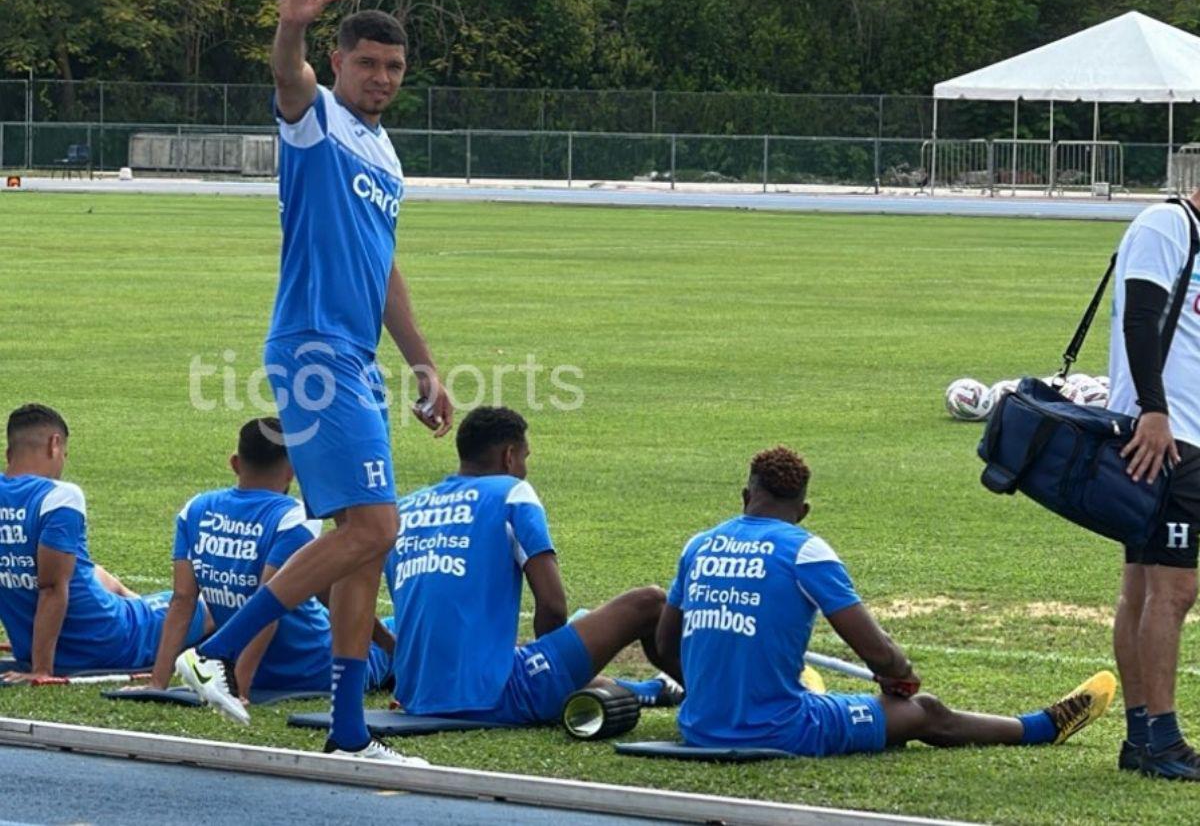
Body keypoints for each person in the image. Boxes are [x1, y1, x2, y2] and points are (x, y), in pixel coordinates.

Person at [177, 0, 451, 765]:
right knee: (374, 526)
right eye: (368, 62)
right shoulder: (317, 120)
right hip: (314, 347)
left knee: (362, 541)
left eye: (395, 66)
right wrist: (288, 30)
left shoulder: (385, 152)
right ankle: (215, 652)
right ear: (339, 62)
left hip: (357, 357)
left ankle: (347, 732)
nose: (383, 77)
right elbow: (288, 80)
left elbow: (384, 268)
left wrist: (423, 363)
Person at [655, 446, 1115, 757]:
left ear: (744, 497)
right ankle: (1043, 727)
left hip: (697, 727)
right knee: (926, 712)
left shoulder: (699, 544)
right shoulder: (804, 549)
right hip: (780, 730)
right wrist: (902, 675)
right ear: (804, 511)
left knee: (814, 691)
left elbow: (665, 644)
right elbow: (878, 652)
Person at [386, 407, 681, 724]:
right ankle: (709, 702)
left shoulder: (404, 510)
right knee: (650, 602)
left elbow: (346, 590)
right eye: (525, 458)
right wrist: (555, 664)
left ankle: (642, 690)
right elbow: (552, 606)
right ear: (509, 456)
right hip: (491, 698)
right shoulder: (511, 493)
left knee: (574, 628)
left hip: (415, 696)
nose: (525, 469)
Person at [140, 418, 392, 707]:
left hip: (238, 666)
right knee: (403, 629)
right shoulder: (293, 518)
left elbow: (183, 600)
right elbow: (268, 606)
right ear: (293, 470)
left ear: (235, 463)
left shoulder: (195, 509)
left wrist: (158, 682)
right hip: (315, 669)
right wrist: (239, 690)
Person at [0, 404, 211, 679]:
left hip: (40, 642)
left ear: (9, 453)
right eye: (64, 454)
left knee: (94, 572)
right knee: (211, 602)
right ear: (54, 445)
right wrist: (41, 671)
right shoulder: (59, 496)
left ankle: (138, 602)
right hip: (110, 640)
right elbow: (51, 588)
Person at [1108, 194, 1200, 779]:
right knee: (1173, 589)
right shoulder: (1166, 224)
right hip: (1166, 436)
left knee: (1143, 584)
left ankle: (1141, 737)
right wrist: (1153, 410)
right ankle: (1162, 740)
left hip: (1182, 434)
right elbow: (1140, 317)